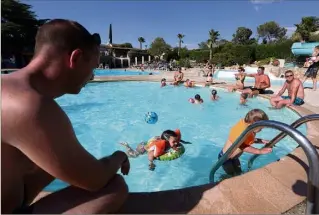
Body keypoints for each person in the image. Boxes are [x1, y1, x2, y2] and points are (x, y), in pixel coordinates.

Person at [1, 19, 129, 214]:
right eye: (93, 67)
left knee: (54, 160)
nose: (92, 76)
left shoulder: (8, 86)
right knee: (115, 186)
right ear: (75, 58)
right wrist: (118, 157)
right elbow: (94, 180)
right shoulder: (29, 106)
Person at [219, 109, 272, 176]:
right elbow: (242, 146)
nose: (261, 130)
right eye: (261, 128)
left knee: (239, 172)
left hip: (234, 158)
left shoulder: (248, 128)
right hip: (225, 159)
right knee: (231, 175)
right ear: (254, 124)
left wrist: (261, 141)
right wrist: (259, 151)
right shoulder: (240, 131)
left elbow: (249, 140)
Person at [120, 129, 190, 171]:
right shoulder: (161, 145)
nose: (176, 143)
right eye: (173, 142)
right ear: (166, 141)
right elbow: (150, 154)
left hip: (149, 143)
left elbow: (176, 140)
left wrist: (184, 142)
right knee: (134, 155)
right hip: (142, 149)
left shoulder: (171, 140)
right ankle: (127, 146)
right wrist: (151, 163)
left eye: (176, 141)